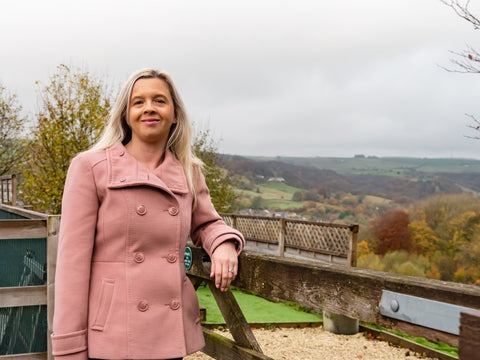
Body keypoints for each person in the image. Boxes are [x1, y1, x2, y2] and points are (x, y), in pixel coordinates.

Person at [51, 68, 245, 360]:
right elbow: (71, 266)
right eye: (138, 102)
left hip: (167, 335)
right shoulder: (90, 168)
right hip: (111, 338)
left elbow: (206, 222)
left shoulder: (188, 171)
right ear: (126, 114)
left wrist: (224, 244)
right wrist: (69, 349)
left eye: (159, 100)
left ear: (175, 114)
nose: (149, 108)